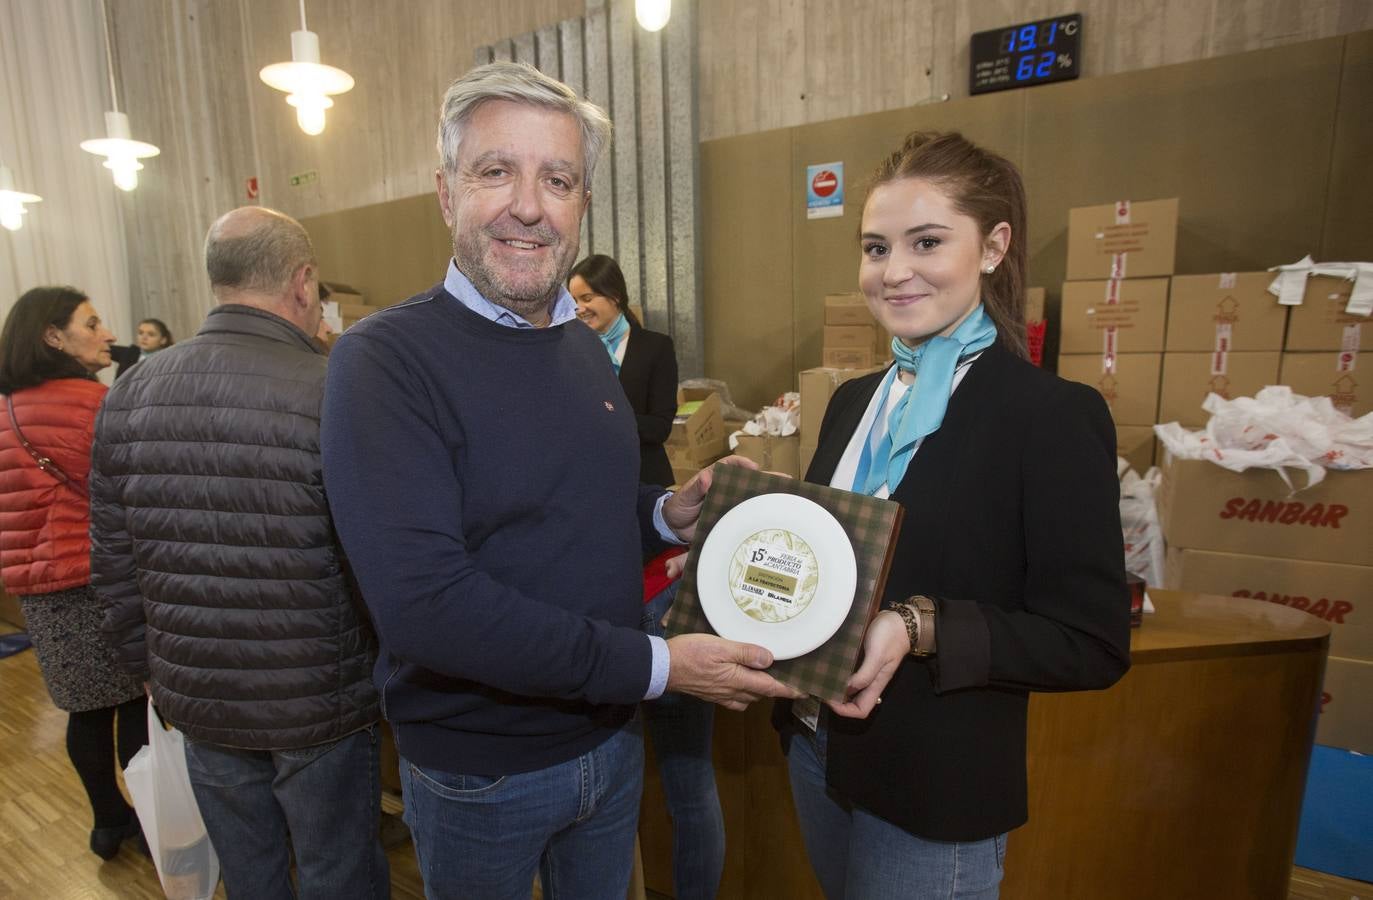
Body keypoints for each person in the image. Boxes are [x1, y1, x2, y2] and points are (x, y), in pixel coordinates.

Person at [320, 61, 800, 900]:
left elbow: (567, 509)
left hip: (610, 746)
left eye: (559, 179)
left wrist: (664, 515)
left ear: (582, 204)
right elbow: (428, 606)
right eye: (495, 171)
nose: (529, 206)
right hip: (483, 773)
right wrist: (657, 667)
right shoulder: (385, 362)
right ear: (446, 192)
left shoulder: (577, 343)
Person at [775, 131, 1132, 899]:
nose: (893, 271)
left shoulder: (1049, 416)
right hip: (815, 747)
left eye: (926, 242)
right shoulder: (848, 402)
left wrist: (918, 625)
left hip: (934, 783)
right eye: (875, 248)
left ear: (994, 246)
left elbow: (1090, 641)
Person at [91, 207, 388, 900]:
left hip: (197, 690)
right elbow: (373, 557)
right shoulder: (332, 387)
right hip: (319, 692)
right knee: (337, 869)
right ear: (304, 282)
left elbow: (113, 559)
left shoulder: (130, 392)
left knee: (250, 875)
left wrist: (151, 668)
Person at [0, 286, 148, 860]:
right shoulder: (84, 403)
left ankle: (108, 822)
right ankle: (153, 820)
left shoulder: (10, 406)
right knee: (135, 702)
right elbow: (130, 486)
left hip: (38, 587)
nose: (107, 332)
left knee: (84, 710)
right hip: (96, 577)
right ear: (53, 337)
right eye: (92, 323)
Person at [569, 254, 679, 487]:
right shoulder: (572, 350)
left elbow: (660, 427)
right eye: (573, 300)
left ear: (615, 295)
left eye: (586, 298)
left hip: (643, 479)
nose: (579, 308)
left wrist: (604, 418)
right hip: (589, 479)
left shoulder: (656, 347)